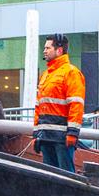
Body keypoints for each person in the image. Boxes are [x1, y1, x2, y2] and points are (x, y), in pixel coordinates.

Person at [33, 33, 85, 173]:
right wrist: (37, 134)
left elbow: (76, 105)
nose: (44, 51)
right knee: (51, 177)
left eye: (48, 48)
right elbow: (39, 106)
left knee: (65, 176)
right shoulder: (46, 74)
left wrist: (72, 133)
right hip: (47, 137)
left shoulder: (71, 73)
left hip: (62, 138)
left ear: (59, 50)